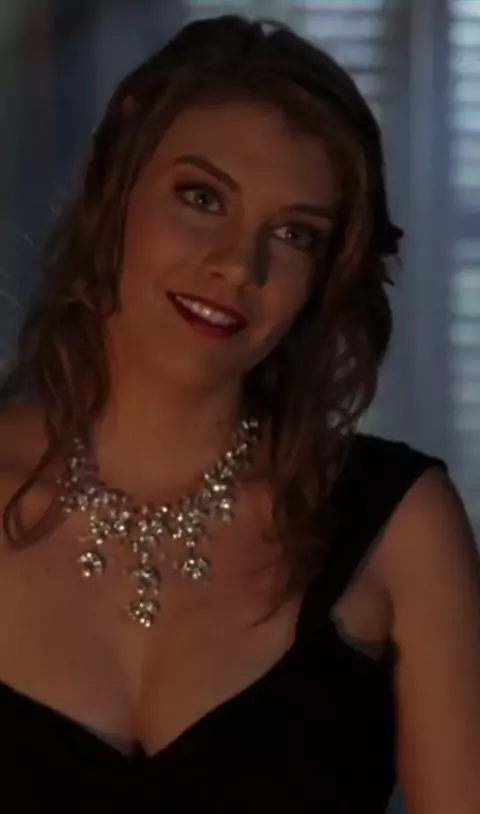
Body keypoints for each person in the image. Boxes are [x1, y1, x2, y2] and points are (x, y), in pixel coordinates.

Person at [0, 14, 478, 812]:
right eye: (202, 197)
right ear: (114, 187)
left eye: (294, 234)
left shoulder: (400, 530)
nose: (236, 264)